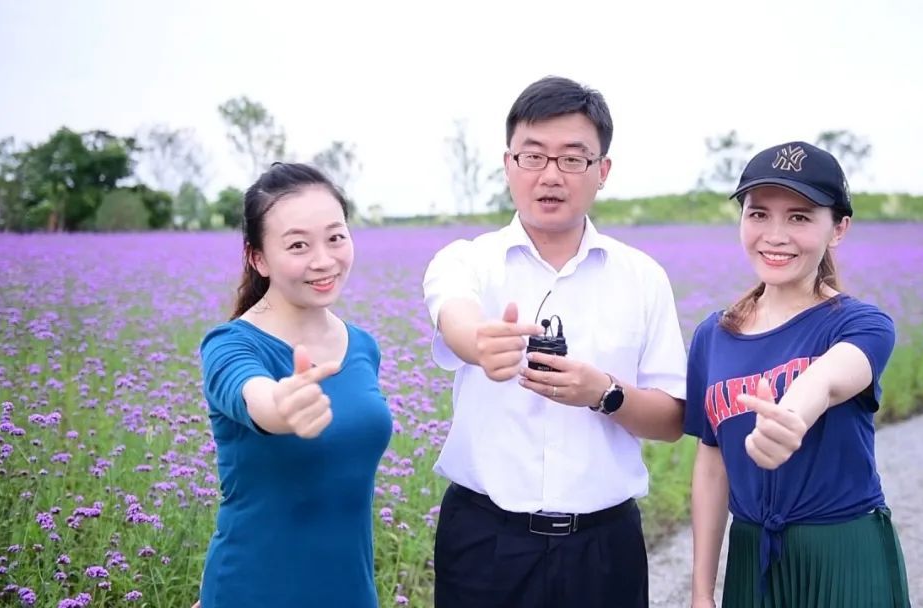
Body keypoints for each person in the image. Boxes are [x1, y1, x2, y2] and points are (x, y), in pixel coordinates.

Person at [421, 75, 688, 608]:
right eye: (533, 156)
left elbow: (671, 420)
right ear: (508, 164)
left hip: (604, 547)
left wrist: (604, 393)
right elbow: (456, 314)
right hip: (485, 545)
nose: (550, 175)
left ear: (602, 171)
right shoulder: (467, 260)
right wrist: (481, 343)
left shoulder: (642, 277)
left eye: (572, 158)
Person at [685, 141, 911, 607]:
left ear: (838, 229)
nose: (775, 235)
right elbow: (711, 464)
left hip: (843, 552)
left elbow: (827, 379)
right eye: (758, 214)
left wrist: (790, 417)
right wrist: (701, 591)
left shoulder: (861, 324)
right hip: (752, 555)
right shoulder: (714, 335)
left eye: (799, 217)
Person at [193, 162, 393, 608]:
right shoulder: (229, 345)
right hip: (253, 591)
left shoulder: (362, 346)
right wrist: (282, 407)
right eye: (298, 245)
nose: (323, 260)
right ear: (258, 258)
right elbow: (254, 395)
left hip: (350, 591)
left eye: (335, 237)